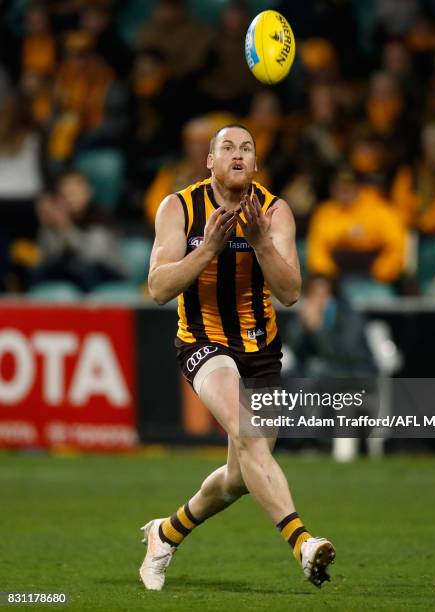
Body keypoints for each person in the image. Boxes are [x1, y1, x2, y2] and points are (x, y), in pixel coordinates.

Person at [140, 124, 335, 590]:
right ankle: (302, 542)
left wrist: (262, 242)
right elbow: (158, 288)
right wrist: (208, 247)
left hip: (260, 349)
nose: (237, 154)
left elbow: (290, 293)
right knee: (247, 435)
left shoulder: (274, 211)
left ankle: (164, 534)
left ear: (255, 163)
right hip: (204, 342)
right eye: (227, 147)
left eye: (246, 148)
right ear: (210, 161)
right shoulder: (179, 207)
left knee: (240, 476)